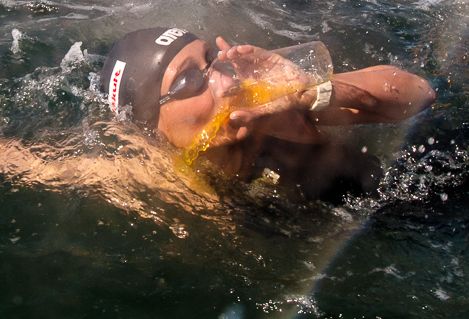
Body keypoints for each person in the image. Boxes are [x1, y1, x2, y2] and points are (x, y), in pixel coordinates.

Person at [96, 27, 435, 197]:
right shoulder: (151, 182)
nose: (225, 81)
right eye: (190, 80)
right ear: (150, 125)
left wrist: (313, 92)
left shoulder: (274, 109)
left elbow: (419, 92)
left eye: (211, 60)